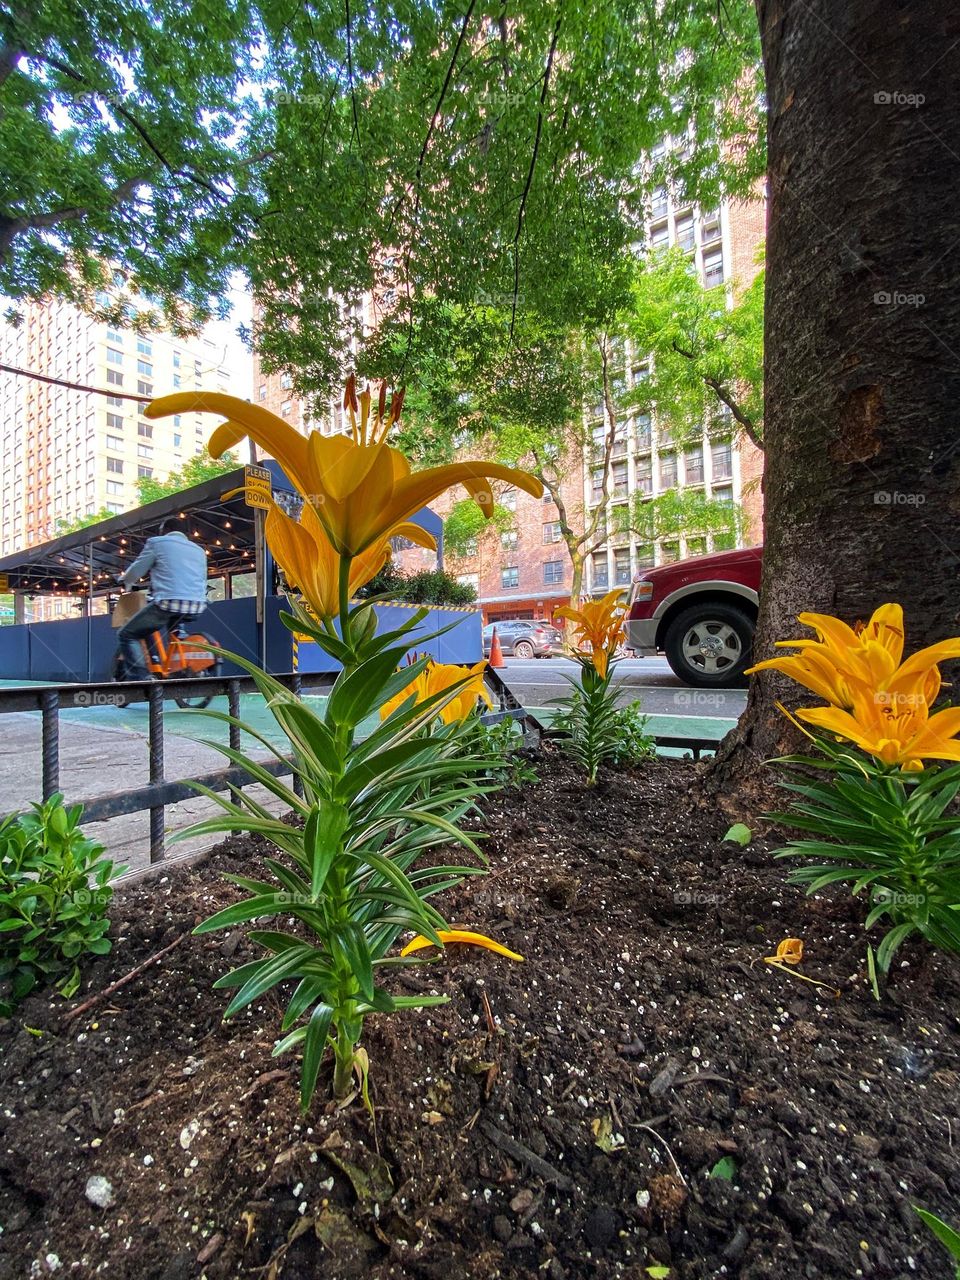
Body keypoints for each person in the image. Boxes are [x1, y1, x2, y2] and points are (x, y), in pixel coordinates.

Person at [116, 518, 208, 678]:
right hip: (197, 605)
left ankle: (140, 678)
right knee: (175, 628)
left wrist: (126, 581)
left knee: (127, 634)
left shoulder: (157, 543)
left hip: (168, 602)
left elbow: (137, 570)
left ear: (165, 530)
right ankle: (179, 658)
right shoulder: (198, 550)